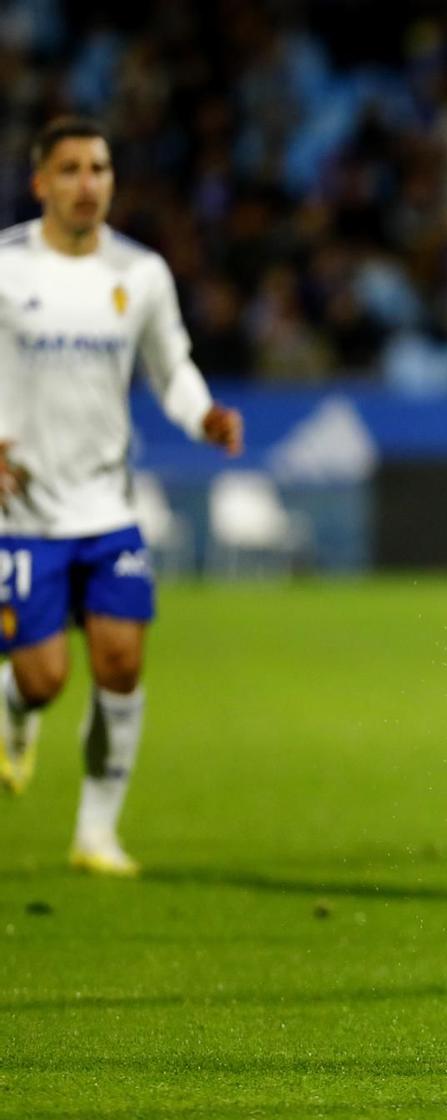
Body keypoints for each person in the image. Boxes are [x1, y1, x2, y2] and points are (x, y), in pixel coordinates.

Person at [0, 116, 245, 876]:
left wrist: (201, 413)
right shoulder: (6, 267)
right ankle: (15, 706)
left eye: (99, 169)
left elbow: (171, 367)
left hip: (107, 506)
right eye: (70, 170)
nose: (87, 184)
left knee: (121, 664)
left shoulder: (140, 273)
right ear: (41, 183)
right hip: (25, 510)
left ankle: (95, 834)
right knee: (44, 677)